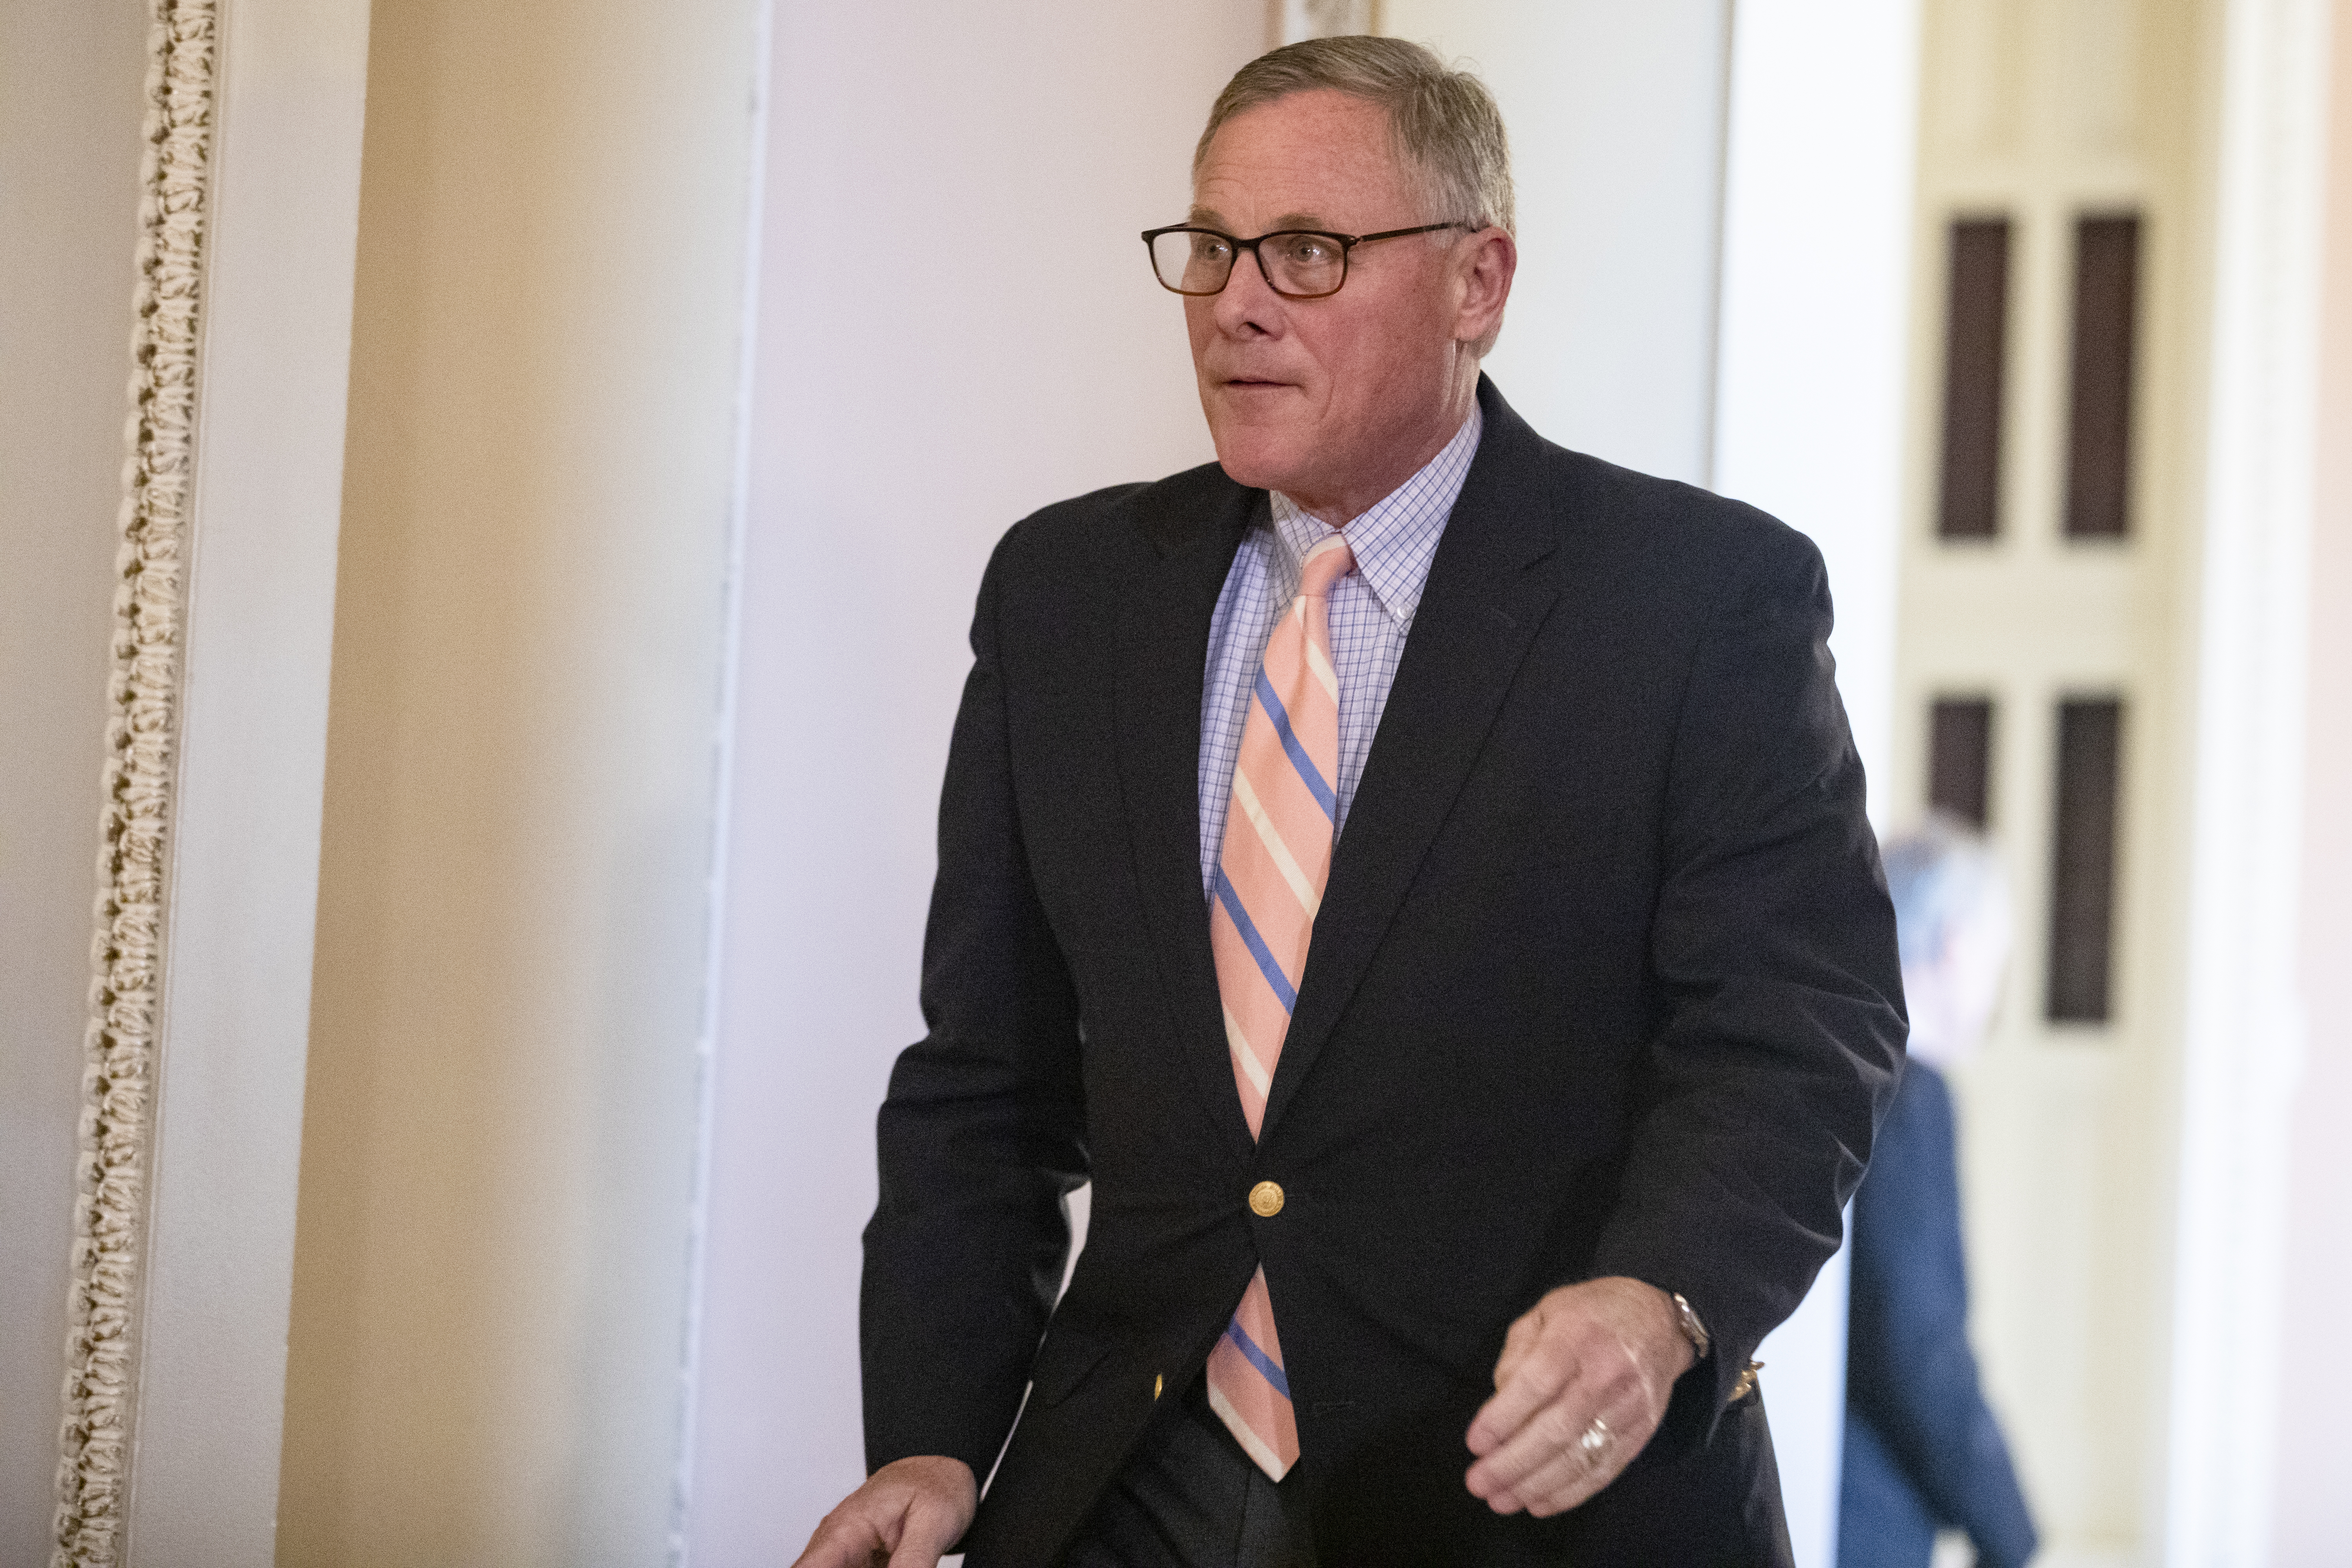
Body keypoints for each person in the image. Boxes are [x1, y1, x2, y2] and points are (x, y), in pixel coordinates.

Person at [796, 36, 1904, 1568]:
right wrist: (929, 1431)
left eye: (1307, 252)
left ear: (1478, 283)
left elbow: (1795, 1035)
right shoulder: (1065, 596)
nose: (1237, 302)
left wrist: (1666, 1295)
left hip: (1534, 1493)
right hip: (1133, 1480)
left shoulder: (1697, 601)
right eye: (1211, 249)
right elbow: (985, 1080)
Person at [1839, 819, 2039, 1568]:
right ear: (1956, 946)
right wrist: (2010, 1529)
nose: (1992, 994)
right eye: (1995, 963)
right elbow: (1918, 1346)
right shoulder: (1912, 1099)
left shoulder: (1850, 1075)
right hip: (1869, 1519)